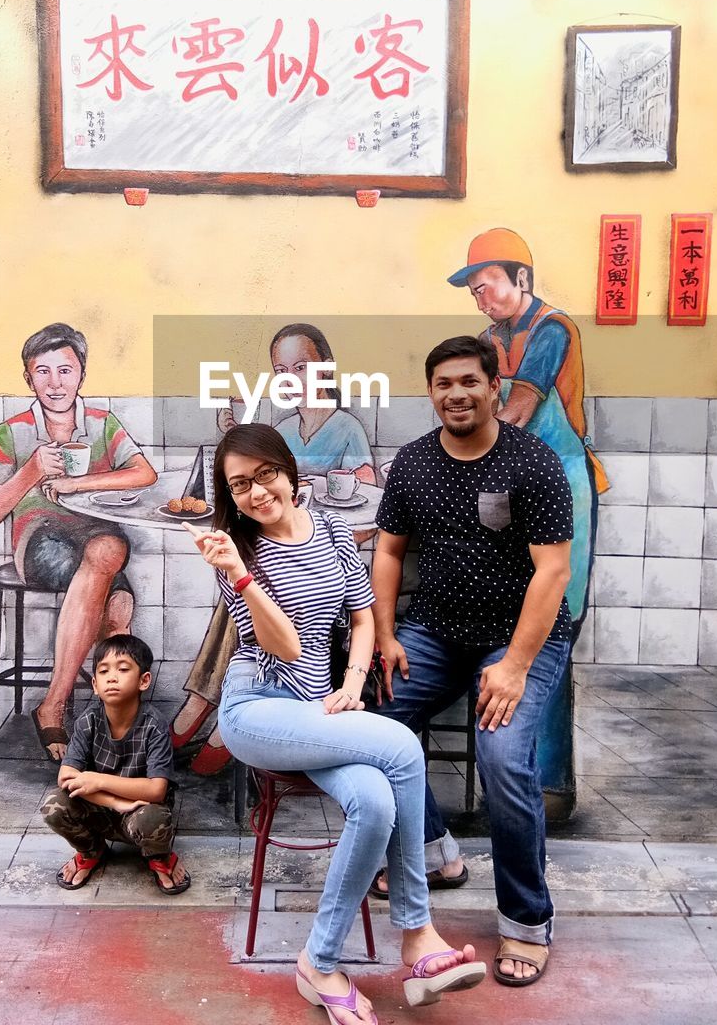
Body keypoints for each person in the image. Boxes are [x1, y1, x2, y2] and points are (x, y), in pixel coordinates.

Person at [185, 423, 485, 1021]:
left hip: (320, 706)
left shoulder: (332, 531)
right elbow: (289, 646)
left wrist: (352, 686)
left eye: (264, 474)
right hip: (259, 708)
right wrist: (241, 578)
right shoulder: (236, 554)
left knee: (375, 801)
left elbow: (365, 616)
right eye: (239, 485)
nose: (256, 492)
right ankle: (418, 934)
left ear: (288, 471)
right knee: (400, 744)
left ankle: (318, 962)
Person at [373, 336, 573, 988]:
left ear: (493, 387)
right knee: (376, 723)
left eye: (468, 381)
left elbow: (553, 572)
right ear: (430, 393)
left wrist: (514, 664)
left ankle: (526, 922)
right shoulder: (413, 464)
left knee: (505, 758)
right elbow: (389, 552)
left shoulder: (532, 464)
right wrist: (386, 634)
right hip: (435, 630)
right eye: (442, 384)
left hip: (521, 637)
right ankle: (434, 854)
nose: (455, 394)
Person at [447, 229, 608, 808]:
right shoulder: (489, 339)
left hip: (562, 485)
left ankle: (550, 785)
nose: (480, 297)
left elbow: (516, 410)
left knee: (552, 629)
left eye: (485, 284)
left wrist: (454, 461)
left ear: (520, 278)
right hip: (508, 486)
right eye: (472, 290)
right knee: (509, 623)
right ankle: (511, 781)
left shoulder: (553, 330)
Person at [172, 322, 376, 775]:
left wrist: (309, 531)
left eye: (301, 366)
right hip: (279, 568)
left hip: (325, 575)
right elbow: (256, 501)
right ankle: (217, 709)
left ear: (326, 368)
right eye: (282, 370)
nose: (292, 378)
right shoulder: (280, 427)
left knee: (247, 588)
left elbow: (365, 511)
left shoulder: (347, 428)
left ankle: (205, 707)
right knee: (245, 581)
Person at [0, 323, 158, 762]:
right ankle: (101, 715)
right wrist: (31, 471)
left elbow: (144, 474)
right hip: (37, 536)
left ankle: (66, 706)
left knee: (108, 549)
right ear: (28, 378)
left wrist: (77, 483)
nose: (55, 383)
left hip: (95, 530)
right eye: (43, 371)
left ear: (82, 374)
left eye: (65, 370)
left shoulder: (102, 424)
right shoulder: (10, 433)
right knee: (117, 606)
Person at [41, 634, 189, 894]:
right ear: (95, 685)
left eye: (122, 669)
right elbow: (66, 777)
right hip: (100, 809)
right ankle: (92, 850)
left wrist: (97, 780)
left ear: (144, 680)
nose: (112, 677)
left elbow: (156, 790)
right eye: (104, 671)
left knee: (154, 817)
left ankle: (159, 857)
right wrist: (115, 802)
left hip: (139, 813)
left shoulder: (154, 726)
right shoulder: (88, 722)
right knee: (54, 804)